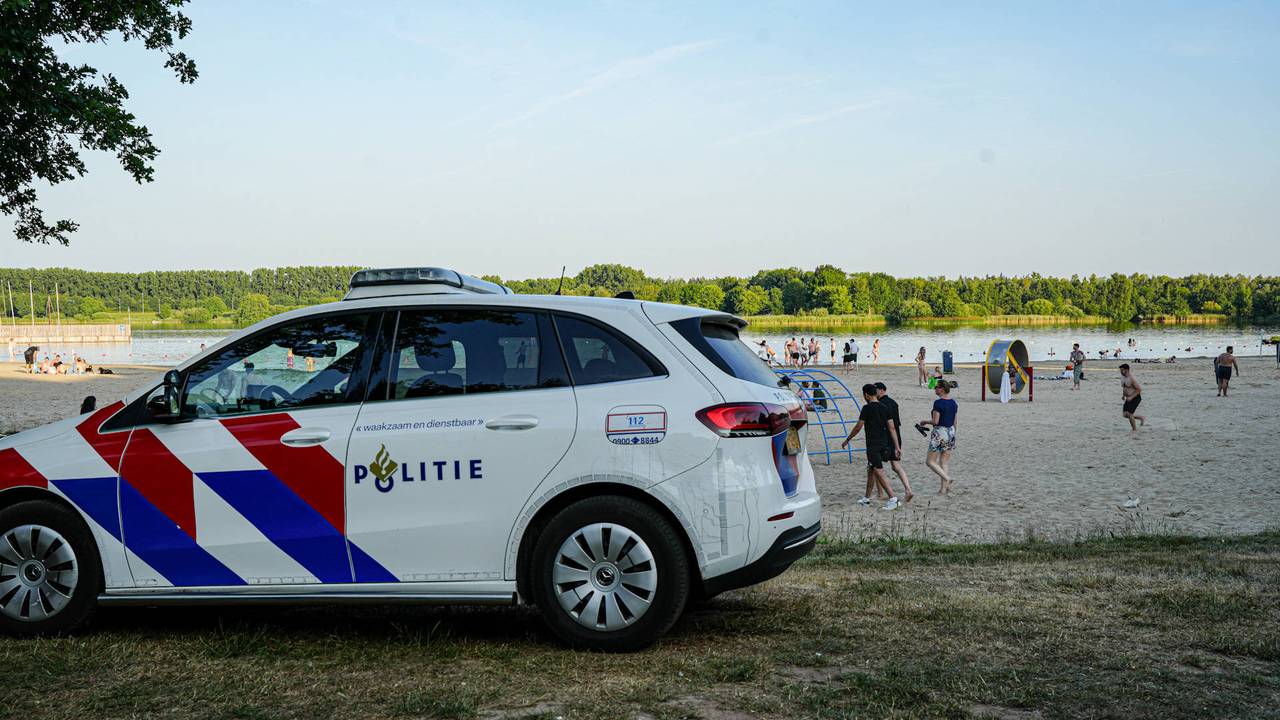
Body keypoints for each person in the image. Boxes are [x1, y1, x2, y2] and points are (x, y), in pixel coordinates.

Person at [840, 384, 901, 510]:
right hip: (884, 442)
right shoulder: (885, 407)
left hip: (873, 444)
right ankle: (866, 498)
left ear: (866, 395)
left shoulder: (867, 408)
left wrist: (847, 439)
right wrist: (897, 446)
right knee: (871, 469)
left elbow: (858, 427)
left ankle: (893, 499)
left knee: (878, 470)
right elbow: (892, 428)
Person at [873, 382, 913, 502]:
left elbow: (886, 424)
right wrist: (897, 445)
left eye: (876, 390)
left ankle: (880, 493)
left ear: (882, 390)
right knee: (896, 466)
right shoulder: (893, 403)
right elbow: (896, 424)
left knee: (876, 466)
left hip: (884, 437)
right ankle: (908, 489)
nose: (874, 392)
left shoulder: (879, 404)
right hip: (896, 436)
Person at [919, 380, 958, 493]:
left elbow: (935, 421)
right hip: (951, 431)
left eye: (936, 387)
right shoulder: (953, 403)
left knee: (930, 461)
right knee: (944, 462)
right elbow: (955, 421)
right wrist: (953, 434)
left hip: (940, 432)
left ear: (941, 389)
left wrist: (925, 422)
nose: (934, 389)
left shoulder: (938, 403)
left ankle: (947, 479)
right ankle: (943, 489)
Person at [1119, 363, 1146, 430]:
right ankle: (1141, 418)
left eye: (1122, 370)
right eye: (1120, 370)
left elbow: (1139, 389)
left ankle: (1134, 429)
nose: (1121, 372)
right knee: (1125, 414)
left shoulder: (1131, 378)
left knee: (1130, 414)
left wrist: (1131, 397)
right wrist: (1123, 395)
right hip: (1128, 398)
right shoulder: (1122, 377)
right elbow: (1125, 387)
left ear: (1127, 370)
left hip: (1135, 398)